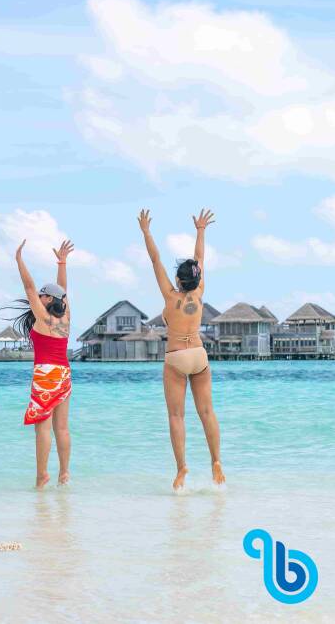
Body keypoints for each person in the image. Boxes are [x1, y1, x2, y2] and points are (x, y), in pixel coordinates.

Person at [138, 208, 225, 490]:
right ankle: (216, 461)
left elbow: (155, 260)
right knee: (207, 412)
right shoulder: (199, 294)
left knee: (177, 416)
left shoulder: (169, 294)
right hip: (198, 355)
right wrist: (201, 230)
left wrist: (146, 231)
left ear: (178, 280)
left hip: (176, 357)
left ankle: (181, 468)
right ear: (196, 279)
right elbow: (200, 258)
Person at [5, 239, 74, 489]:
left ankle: (42, 475)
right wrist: (62, 263)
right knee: (62, 428)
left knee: (43, 429)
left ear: (46, 299)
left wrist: (19, 260)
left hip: (45, 374)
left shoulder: (42, 317)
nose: (38, 297)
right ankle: (64, 472)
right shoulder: (66, 316)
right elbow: (63, 290)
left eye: (42, 295)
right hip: (64, 373)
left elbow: (28, 286)